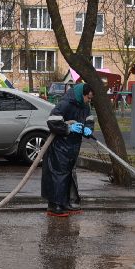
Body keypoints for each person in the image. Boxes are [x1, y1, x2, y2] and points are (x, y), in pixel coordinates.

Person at [43, 81, 93, 217]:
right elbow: (52, 121)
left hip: (73, 145)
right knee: (58, 174)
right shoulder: (66, 103)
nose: (89, 100)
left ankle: (64, 203)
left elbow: (89, 120)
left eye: (90, 98)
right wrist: (68, 128)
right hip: (59, 146)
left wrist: (88, 128)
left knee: (68, 174)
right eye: (88, 97)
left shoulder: (85, 106)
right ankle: (54, 205)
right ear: (81, 95)